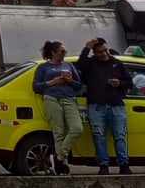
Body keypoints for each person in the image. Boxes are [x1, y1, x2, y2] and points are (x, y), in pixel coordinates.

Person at [77, 38, 131, 176]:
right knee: (99, 136)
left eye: (106, 50)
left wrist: (119, 83)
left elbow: (129, 82)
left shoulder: (117, 63)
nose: (105, 54)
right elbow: (80, 66)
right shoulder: (90, 64)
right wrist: (87, 48)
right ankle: (103, 165)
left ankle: (124, 165)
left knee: (120, 136)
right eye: (100, 52)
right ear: (95, 53)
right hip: (96, 106)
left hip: (116, 105)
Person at [33, 41, 85, 174]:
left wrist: (69, 81)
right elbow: (36, 87)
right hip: (51, 98)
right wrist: (53, 82)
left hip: (68, 98)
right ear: (53, 52)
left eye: (65, 51)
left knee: (77, 128)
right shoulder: (43, 67)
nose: (64, 53)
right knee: (59, 132)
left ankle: (59, 158)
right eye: (62, 51)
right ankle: (61, 166)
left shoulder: (69, 65)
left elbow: (79, 86)